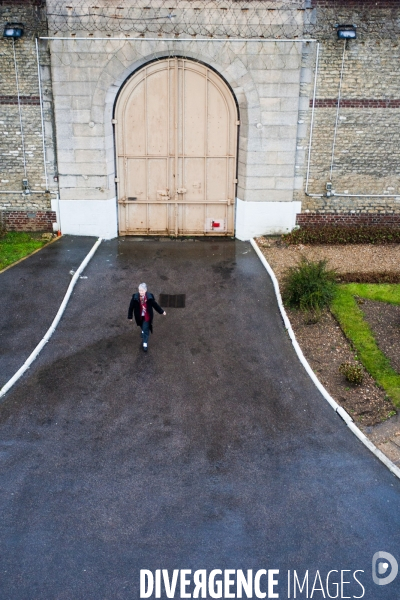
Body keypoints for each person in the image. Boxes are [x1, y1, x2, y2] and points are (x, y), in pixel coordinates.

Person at [128, 283, 166, 352]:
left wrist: (162, 311)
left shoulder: (149, 298)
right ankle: (143, 330)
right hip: (139, 316)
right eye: (139, 290)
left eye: (142, 291)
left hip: (147, 316)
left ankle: (145, 343)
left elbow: (155, 305)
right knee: (141, 326)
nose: (141, 292)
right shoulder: (135, 297)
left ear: (145, 291)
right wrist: (130, 316)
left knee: (146, 328)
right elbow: (131, 307)